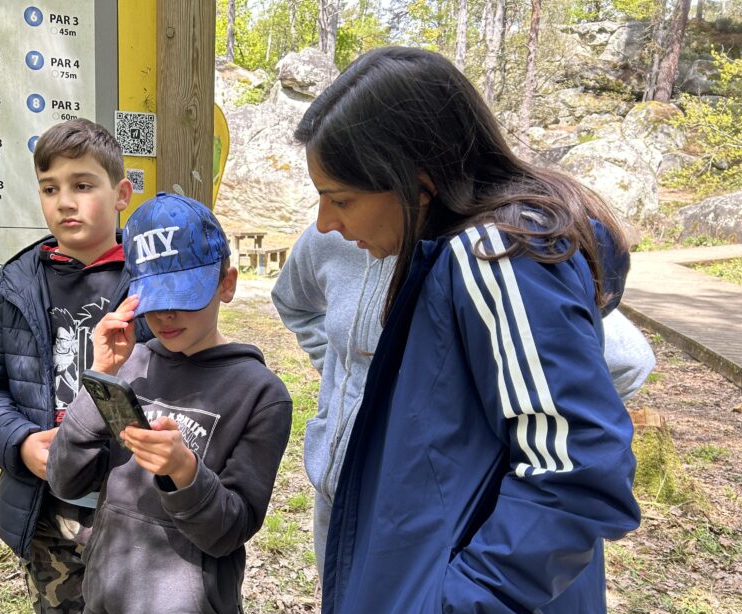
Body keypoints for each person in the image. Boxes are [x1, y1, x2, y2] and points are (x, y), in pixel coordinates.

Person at [295, 47, 642, 614]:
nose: (326, 224)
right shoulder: (450, 256)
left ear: (415, 178)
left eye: (343, 198)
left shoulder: (496, 258)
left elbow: (576, 469)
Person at [47, 193, 293, 614]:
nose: (166, 318)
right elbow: (65, 477)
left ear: (226, 284)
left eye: (185, 298)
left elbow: (232, 528)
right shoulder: (131, 364)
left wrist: (185, 473)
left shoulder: (259, 395)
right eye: (154, 301)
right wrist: (99, 377)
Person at [272, 225, 654, 577]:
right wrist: (351, 377)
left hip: (429, 526)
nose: (324, 218)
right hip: (339, 503)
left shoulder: (485, 258)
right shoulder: (331, 237)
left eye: (341, 197)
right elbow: (294, 303)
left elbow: (626, 360)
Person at [0, 117, 135, 614]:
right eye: (50, 186)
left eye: (83, 184)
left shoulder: (151, 282)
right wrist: (18, 442)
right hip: (49, 512)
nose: (65, 201)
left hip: (132, 512)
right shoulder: (15, 283)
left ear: (122, 194)